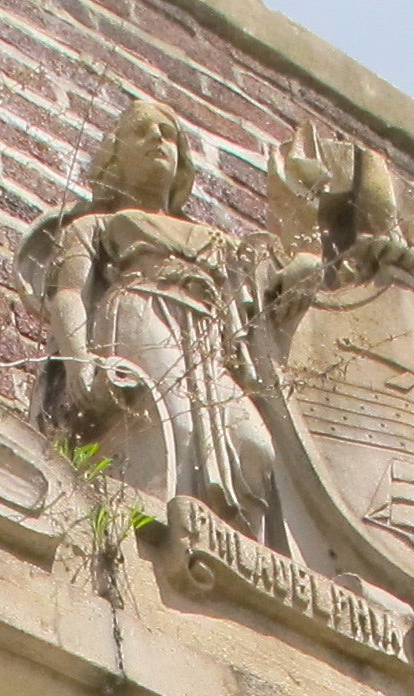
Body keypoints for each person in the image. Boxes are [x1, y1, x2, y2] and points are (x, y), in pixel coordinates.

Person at [19, 99, 281, 534]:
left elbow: (258, 302)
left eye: (169, 133)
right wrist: (79, 361)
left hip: (204, 338)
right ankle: (149, 533)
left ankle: (233, 543)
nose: (159, 139)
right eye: (142, 132)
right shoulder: (97, 226)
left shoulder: (216, 241)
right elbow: (68, 293)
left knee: (254, 446)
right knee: (171, 429)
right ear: (115, 159)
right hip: (140, 311)